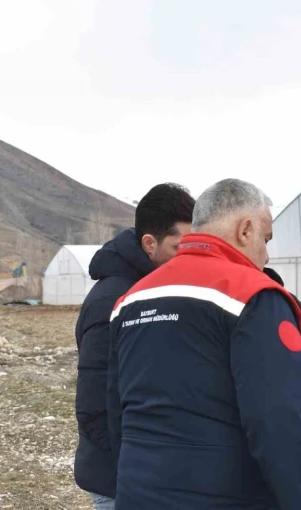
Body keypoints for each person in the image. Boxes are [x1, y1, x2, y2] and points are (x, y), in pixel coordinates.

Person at [107, 178, 301, 510]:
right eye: (265, 239)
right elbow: (282, 426)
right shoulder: (252, 295)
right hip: (225, 496)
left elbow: (116, 408)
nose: (266, 254)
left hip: (138, 491)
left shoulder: (131, 299)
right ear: (245, 230)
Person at [73, 183, 195, 510]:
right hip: (119, 481)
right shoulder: (110, 301)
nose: (188, 259)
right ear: (149, 243)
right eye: (178, 247)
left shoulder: (156, 287)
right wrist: (138, 469)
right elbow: (93, 408)